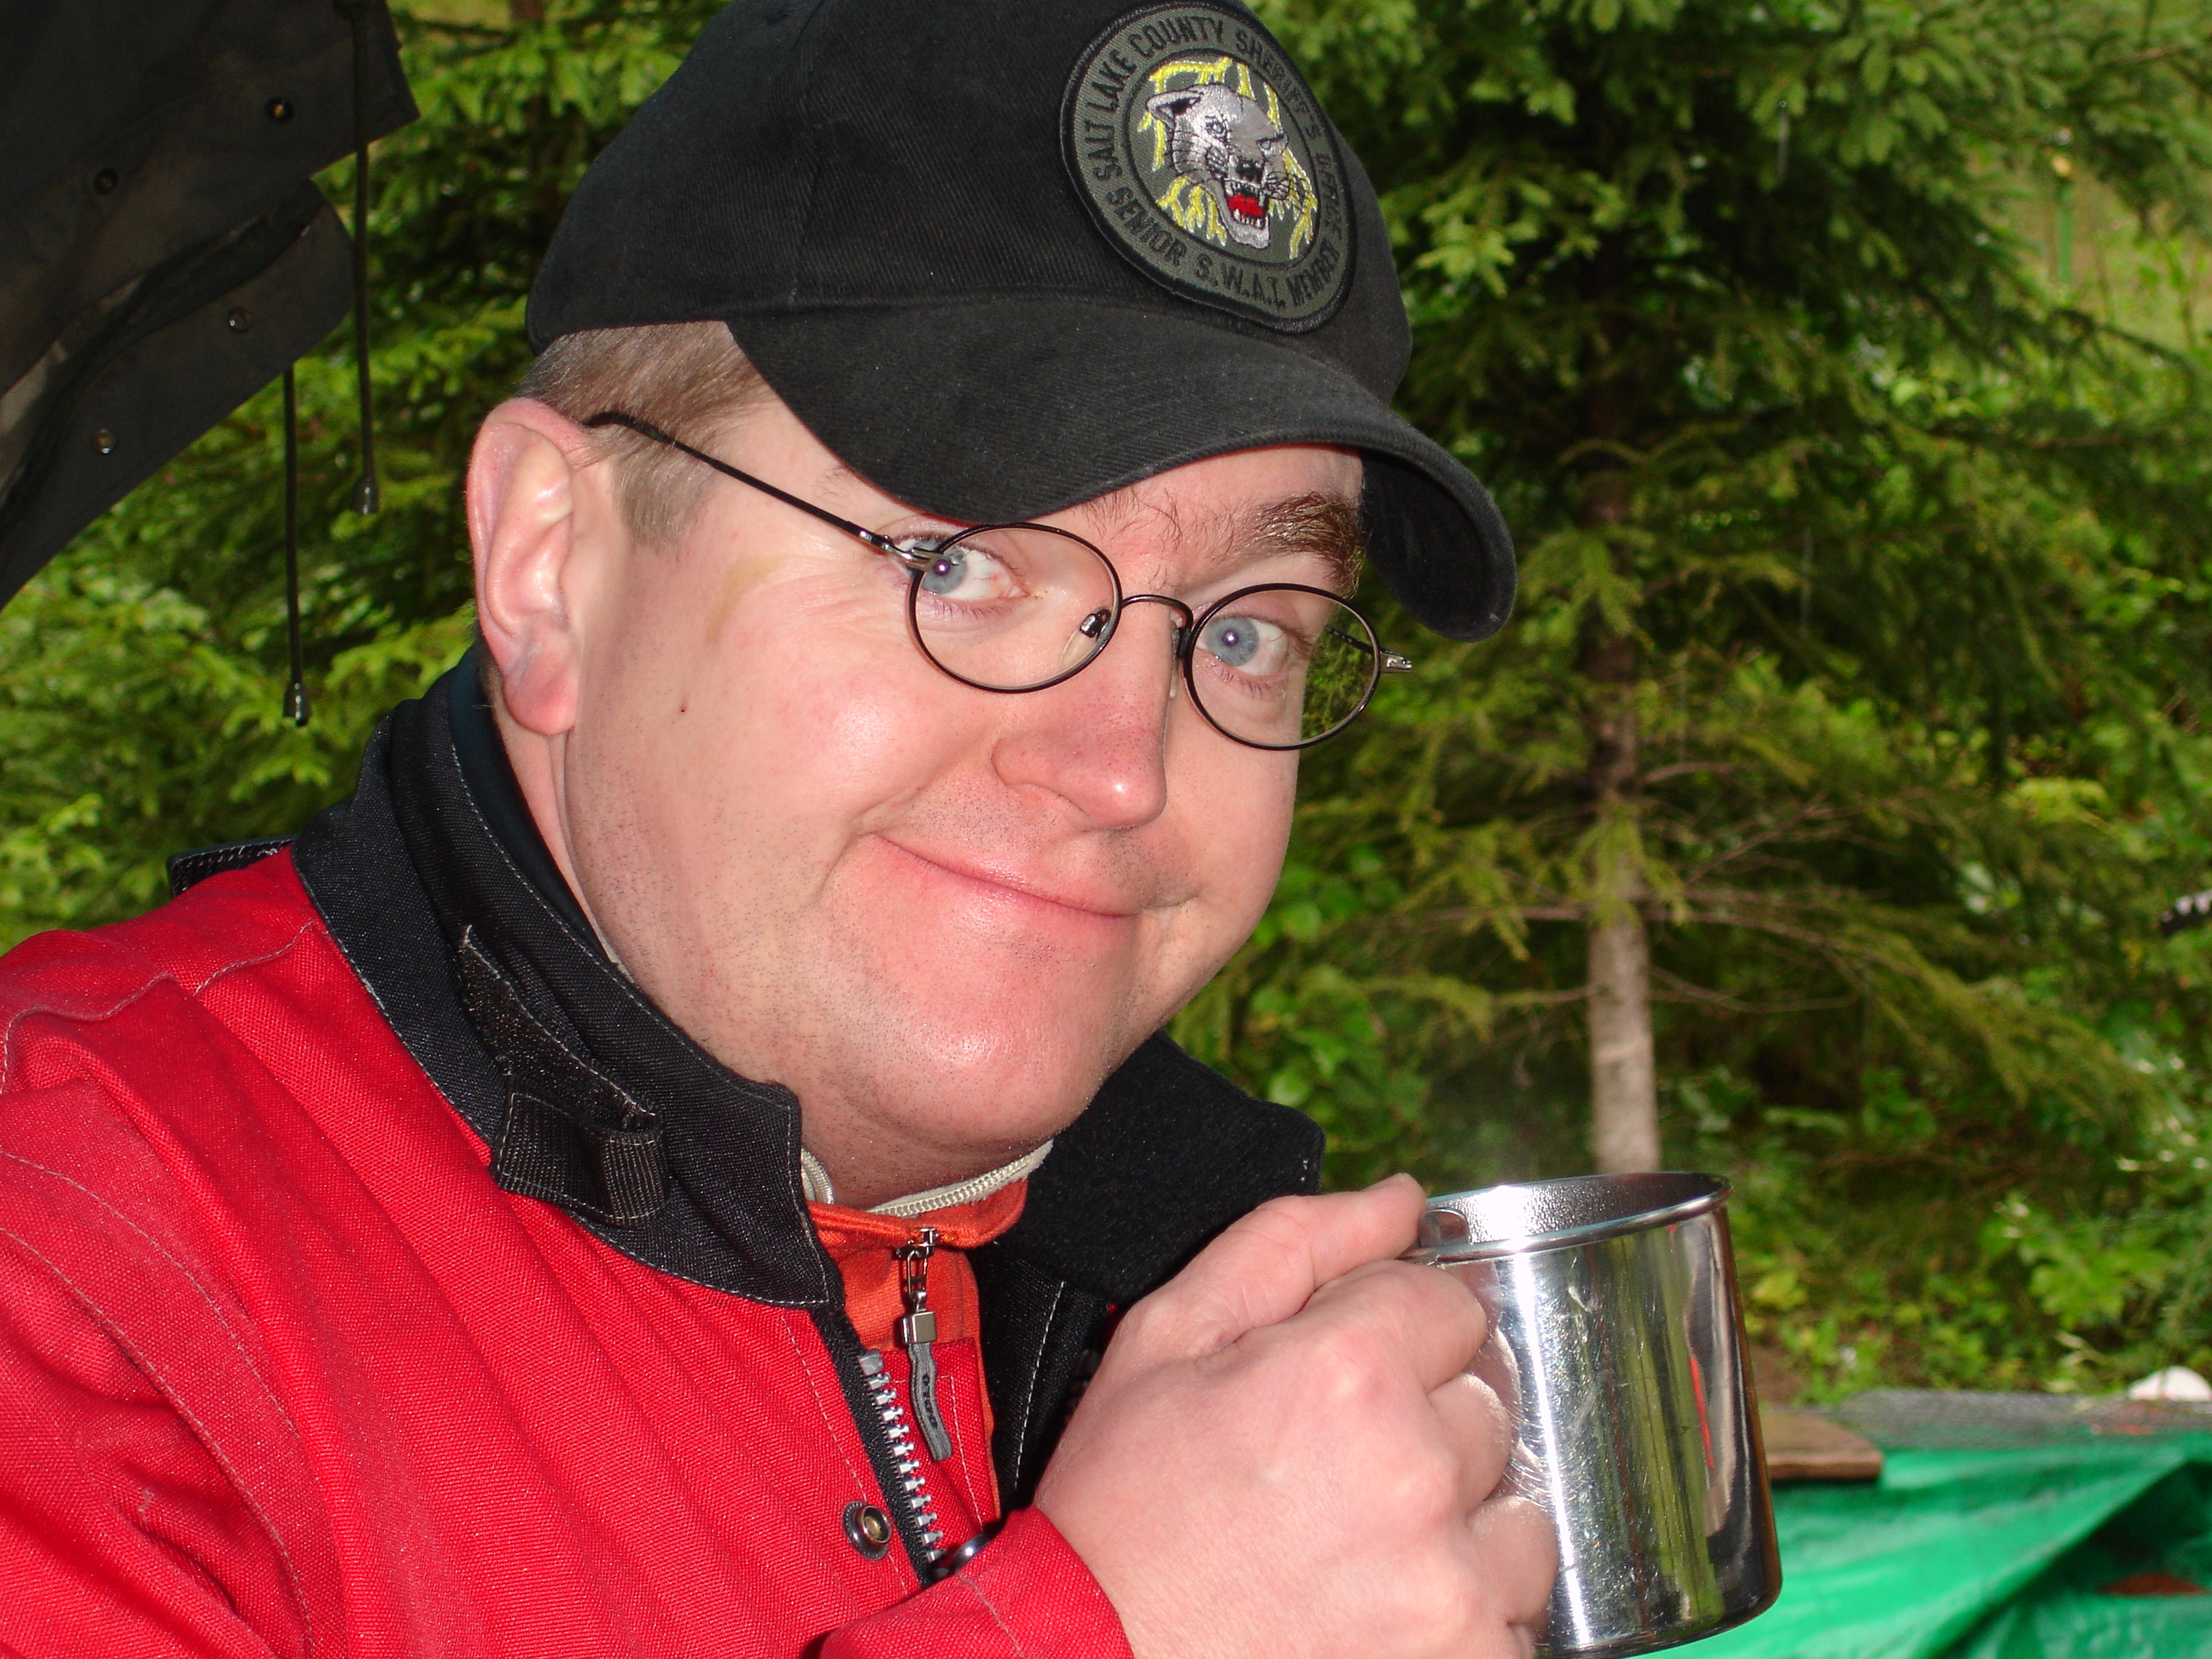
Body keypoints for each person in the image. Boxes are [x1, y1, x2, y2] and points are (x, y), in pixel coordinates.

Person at [0, 2, 1551, 1655]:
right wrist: (1118, 1629)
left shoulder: (1183, 1286)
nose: (1123, 772)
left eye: (1242, 629)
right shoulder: (82, 1262)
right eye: (962, 563)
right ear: (549, 562)